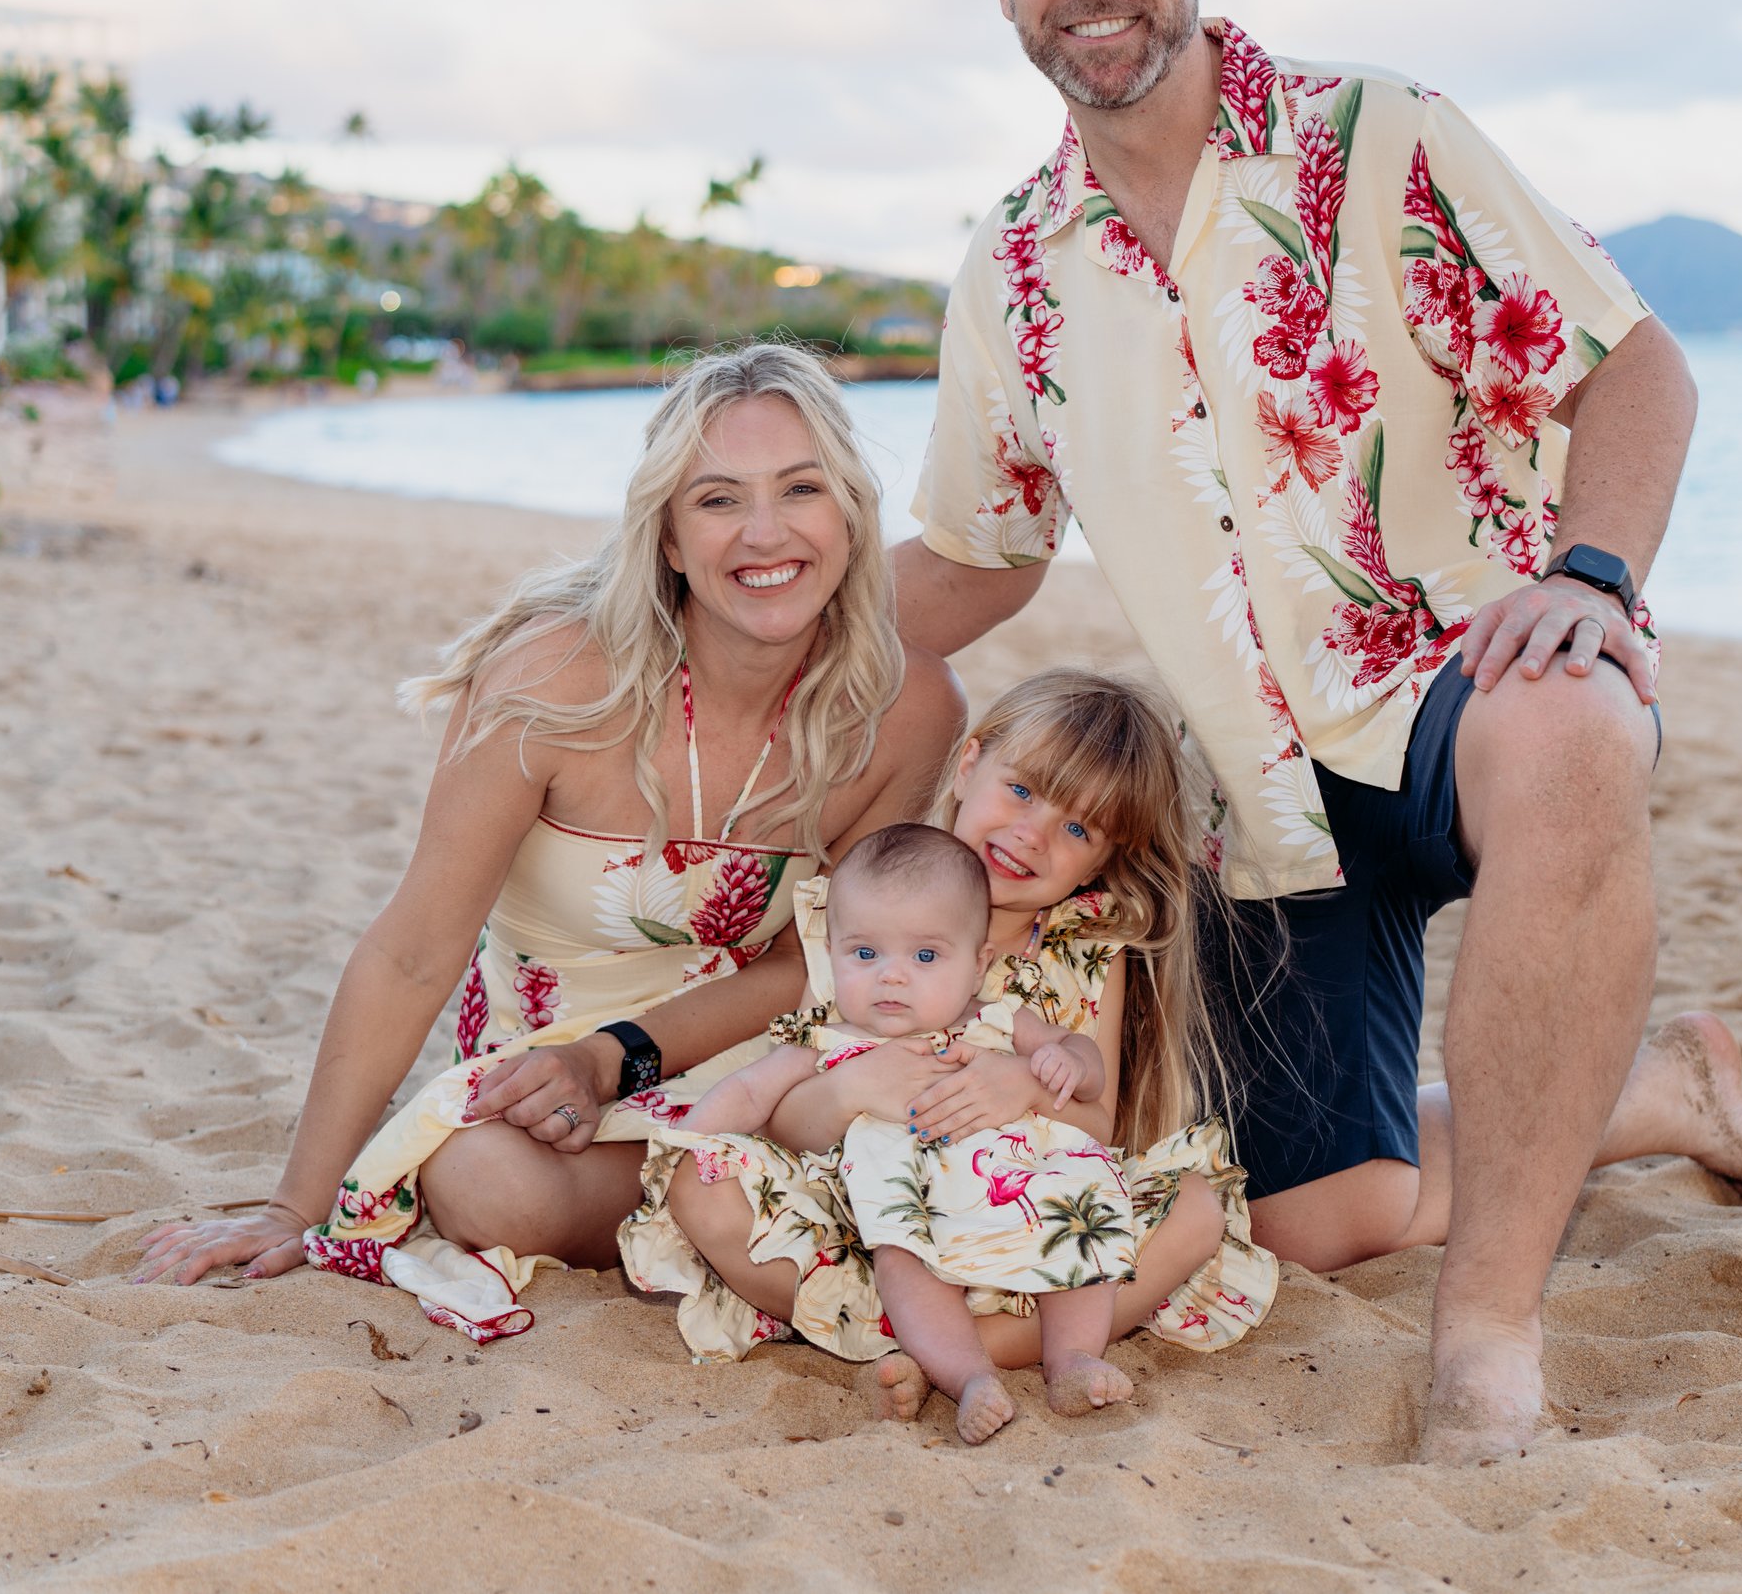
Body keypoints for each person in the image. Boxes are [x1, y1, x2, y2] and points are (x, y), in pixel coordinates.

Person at [891, 0, 1742, 1463]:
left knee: (1569, 724)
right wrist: (735, 600)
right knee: (1321, 1214)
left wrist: (1593, 579)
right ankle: (1658, 1097)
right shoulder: (1016, 264)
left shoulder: (1378, 136)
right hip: (1260, 804)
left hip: (1468, 684)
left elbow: (1635, 367)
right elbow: (978, 554)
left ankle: (1488, 1337)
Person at [130, 344, 966, 1336]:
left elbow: (812, 962)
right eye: (716, 501)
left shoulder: (906, 707)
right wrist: (292, 1207)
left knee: (881, 1103)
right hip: (547, 1082)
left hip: (761, 1068)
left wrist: (622, 1055)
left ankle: (751, 1212)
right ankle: (759, 1223)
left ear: (852, 514)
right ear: (665, 536)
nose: (765, 532)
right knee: (483, 1188)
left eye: (801, 489)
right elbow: (413, 951)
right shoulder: (552, 684)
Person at [626, 668, 1272, 1415]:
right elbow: (789, 1121)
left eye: (1077, 827)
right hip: (872, 1218)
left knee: (1195, 1207)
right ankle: (958, 1341)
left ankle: (943, 1349)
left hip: (1026, 1215)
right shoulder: (867, 908)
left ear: (1104, 859)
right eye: (1023, 790)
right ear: (969, 765)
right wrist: (850, 1088)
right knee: (701, 1189)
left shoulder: (1085, 950)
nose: (1032, 833)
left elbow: (1099, 1124)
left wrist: (1027, 1086)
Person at [675, 821, 1139, 1444]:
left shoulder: (997, 1017)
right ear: (832, 953)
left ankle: (1074, 1359)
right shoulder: (831, 1035)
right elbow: (751, 1091)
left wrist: (1068, 1062)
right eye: (865, 954)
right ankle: (969, 1375)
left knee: (1080, 1221)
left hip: (1019, 1185)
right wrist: (689, 1138)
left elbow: (1079, 1058)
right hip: (906, 1206)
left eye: (924, 956)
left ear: (977, 967)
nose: (892, 976)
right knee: (905, 1260)